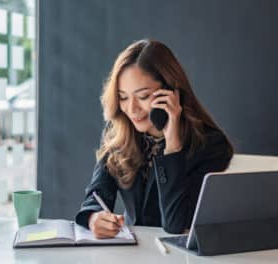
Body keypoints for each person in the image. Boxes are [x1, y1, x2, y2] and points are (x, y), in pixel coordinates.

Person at [75, 39, 233, 238]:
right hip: (133, 253)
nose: (131, 109)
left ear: (171, 92)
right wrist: (93, 217)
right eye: (123, 97)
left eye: (142, 96)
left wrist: (172, 148)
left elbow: (176, 225)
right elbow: (97, 193)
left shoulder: (210, 145)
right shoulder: (120, 133)